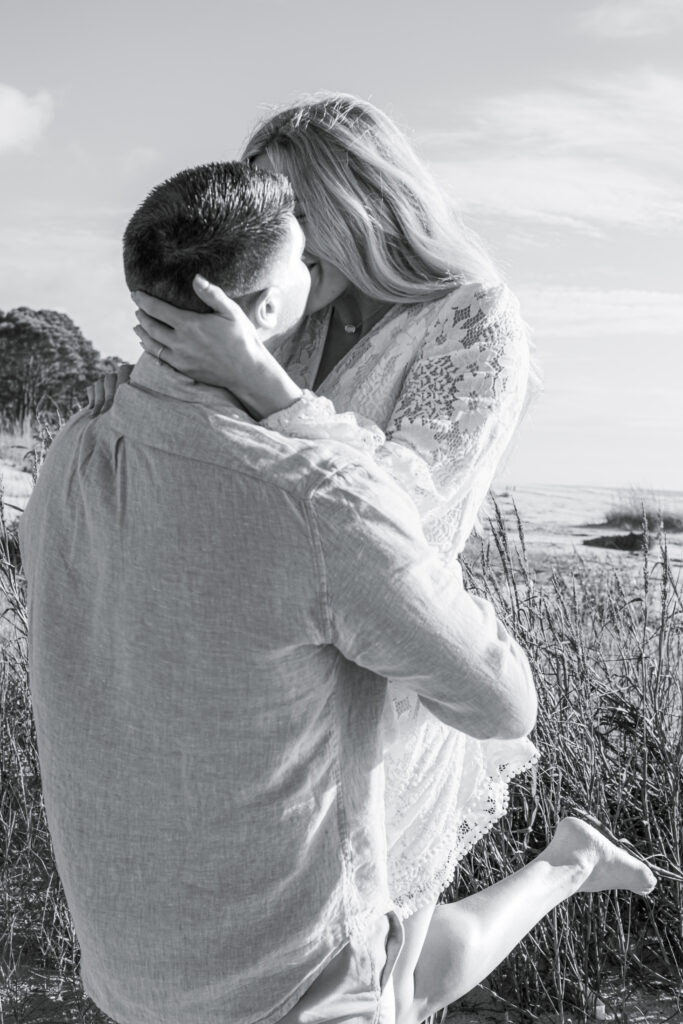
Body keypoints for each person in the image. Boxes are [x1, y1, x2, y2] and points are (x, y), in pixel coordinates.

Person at [83, 148, 655, 1024]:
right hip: (288, 662)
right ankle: (566, 864)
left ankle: (564, 866)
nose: (273, 224)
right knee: (382, 978)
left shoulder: (472, 319)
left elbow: (411, 505)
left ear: (352, 204)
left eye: (292, 209)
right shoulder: (291, 312)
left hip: (403, 653)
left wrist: (258, 380)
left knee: (383, 974)